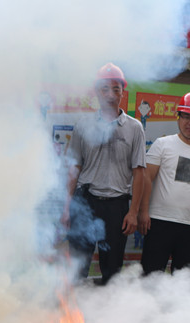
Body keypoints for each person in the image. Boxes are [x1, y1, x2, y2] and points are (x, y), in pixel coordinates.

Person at [62, 63, 147, 284]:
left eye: (116, 89)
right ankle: (74, 304)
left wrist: (133, 212)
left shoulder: (134, 128)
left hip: (117, 207)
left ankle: (108, 305)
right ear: (96, 92)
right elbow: (74, 167)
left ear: (122, 92)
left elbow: (139, 172)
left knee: (112, 270)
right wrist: (67, 207)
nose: (110, 94)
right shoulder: (83, 125)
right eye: (104, 89)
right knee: (77, 266)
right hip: (85, 202)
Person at [139, 92, 190, 274]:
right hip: (159, 221)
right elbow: (146, 178)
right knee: (151, 277)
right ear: (178, 117)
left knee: (184, 282)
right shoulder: (162, 144)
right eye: (186, 116)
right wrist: (143, 211)